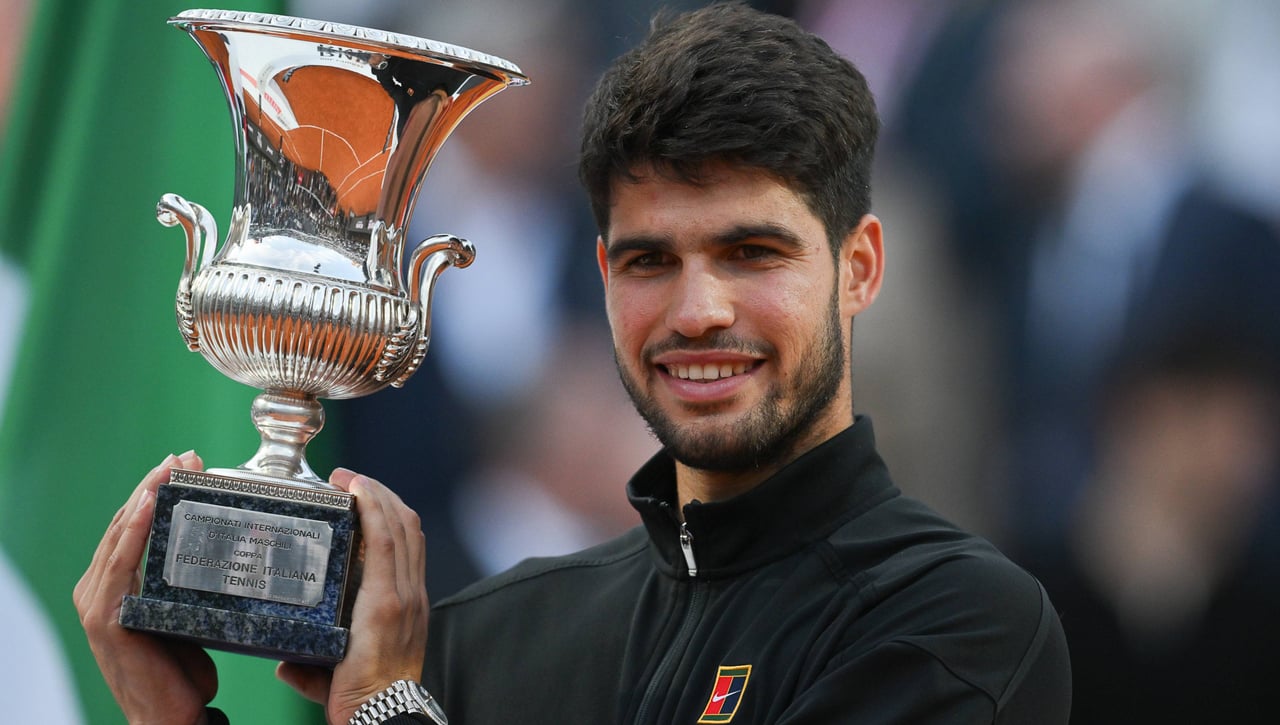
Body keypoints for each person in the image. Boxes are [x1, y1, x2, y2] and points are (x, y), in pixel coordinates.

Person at [75, 4, 1071, 723]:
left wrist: (387, 712)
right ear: (600, 276)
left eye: (750, 252)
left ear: (857, 268)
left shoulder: (954, 617)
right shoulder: (486, 631)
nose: (697, 310)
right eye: (650, 260)